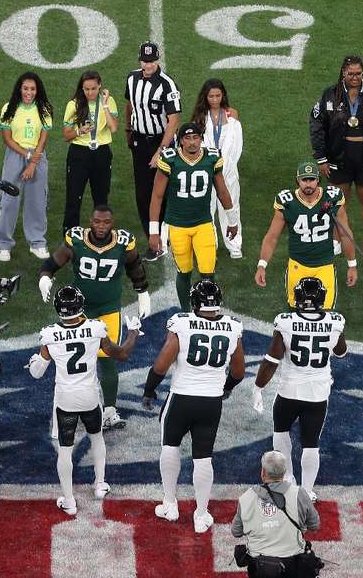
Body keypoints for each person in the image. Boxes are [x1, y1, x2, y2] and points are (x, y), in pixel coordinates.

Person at [141, 279, 245, 533]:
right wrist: (227, 387)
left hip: (182, 398)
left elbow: (161, 364)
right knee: (203, 457)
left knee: (169, 446)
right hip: (211, 402)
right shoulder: (232, 327)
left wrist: (149, 388)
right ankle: (201, 514)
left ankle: (170, 504)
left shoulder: (182, 323)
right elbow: (239, 371)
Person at [27, 286, 140, 514]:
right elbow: (122, 354)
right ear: (80, 305)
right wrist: (133, 332)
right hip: (89, 396)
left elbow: (37, 373)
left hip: (65, 398)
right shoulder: (96, 329)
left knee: (65, 449)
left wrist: (34, 361)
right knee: (96, 438)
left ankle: (69, 501)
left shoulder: (49, 335)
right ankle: (99, 485)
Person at [38, 205, 150, 429]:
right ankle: (69, 405)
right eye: (97, 221)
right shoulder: (76, 239)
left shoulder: (123, 242)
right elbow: (52, 263)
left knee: (108, 357)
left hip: (108, 308)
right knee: (75, 358)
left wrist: (142, 291)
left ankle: (109, 410)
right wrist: (44, 276)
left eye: (106, 222)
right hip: (79, 311)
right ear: (90, 221)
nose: (101, 226)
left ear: (112, 223)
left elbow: (135, 266)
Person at [253, 277, 347, 502]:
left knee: (281, 432)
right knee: (311, 442)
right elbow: (341, 352)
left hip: (289, 390)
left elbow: (271, 360)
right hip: (317, 392)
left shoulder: (285, 321)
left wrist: (258, 386)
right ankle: (306, 490)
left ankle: (287, 481)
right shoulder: (335, 321)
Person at [309, 55, 363, 261]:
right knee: (337, 201)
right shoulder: (330, 95)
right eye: (351, 74)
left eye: (358, 73)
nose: (355, 77)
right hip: (338, 158)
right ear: (343, 73)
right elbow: (316, 126)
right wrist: (321, 158)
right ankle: (335, 241)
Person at [149, 122, 237, 310]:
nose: (192, 142)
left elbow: (222, 191)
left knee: (208, 273)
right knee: (184, 272)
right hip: (177, 225)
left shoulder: (211, 157)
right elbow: (156, 196)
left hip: (203, 223)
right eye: (187, 138)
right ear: (180, 141)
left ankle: (207, 310)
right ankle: (186, 313)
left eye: (195, 137)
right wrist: (153, 232)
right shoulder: (170, 159)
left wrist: (232, 219)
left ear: (201, 139)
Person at [255, 162, 358, 310]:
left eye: (311, 179)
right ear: (298, 181)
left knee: (326, 315)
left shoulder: (332, 197)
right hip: (298, 265)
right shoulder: (287, 202)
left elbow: (345, 234)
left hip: (325, 265)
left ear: (318, 180)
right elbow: (272, 237)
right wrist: (262, 265)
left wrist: (352, 265)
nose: (308, 184)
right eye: (304, 180)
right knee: (295, 313)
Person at [125, 41, 182, 261]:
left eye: (151, 61)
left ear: (157, 60)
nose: (147, 65)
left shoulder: (167, 84)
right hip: (140, 141)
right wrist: (128, 129)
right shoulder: (131, 78)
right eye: (144, 61)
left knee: (164, 192)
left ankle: (168, 238)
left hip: (161, 142)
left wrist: (161, 150)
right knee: (142, 194)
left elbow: (173, 120)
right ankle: (153, 239)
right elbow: (129, 104)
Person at [231, 450, 321, 578]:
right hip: (294, 565)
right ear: (284, 473)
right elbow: (315, 525)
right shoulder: (299, 494)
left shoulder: (246, 498)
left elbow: (236, 532)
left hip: (259, 568)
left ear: (263, 472)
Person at [0, 71, 53, 262]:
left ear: (38, 90)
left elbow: (43, 139)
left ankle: (37, 242)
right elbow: (7, 138)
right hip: (15, 155)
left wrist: (33, 162)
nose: (29, 92)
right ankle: (3, 244)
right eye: (25, 88)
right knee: (9, 199)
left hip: (37, 155)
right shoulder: (8, 108)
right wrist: (25, 155)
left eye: (32, 89)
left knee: (37, 201)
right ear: (19, 89)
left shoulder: (44, 109)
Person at [192, 78, 244, 259]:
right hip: (206, 171)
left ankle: (234, 245)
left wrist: (227, 167)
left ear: (223, 96)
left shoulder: (232, 116)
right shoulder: (199, 117)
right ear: (205, 97)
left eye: (218, 96)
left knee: (231, 206)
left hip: (228, 171)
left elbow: (237, 146)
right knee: (207, 208)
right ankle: (209, 244)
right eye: (211, 96)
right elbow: (195, 145)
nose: (214, 99)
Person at [62, 70, 119, 232]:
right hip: (79, 154)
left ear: (100, 86)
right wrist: (80, 131)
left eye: (93, 88)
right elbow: (66, 135)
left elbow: (113, 128)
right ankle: (70, 235)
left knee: (101, 198)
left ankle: (100, 235)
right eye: (86, 89)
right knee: (74, 197)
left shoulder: (109, 101)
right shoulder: (73, 104)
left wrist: (106, 104)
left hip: (101, 153)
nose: (90, 92)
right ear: (82, 88)